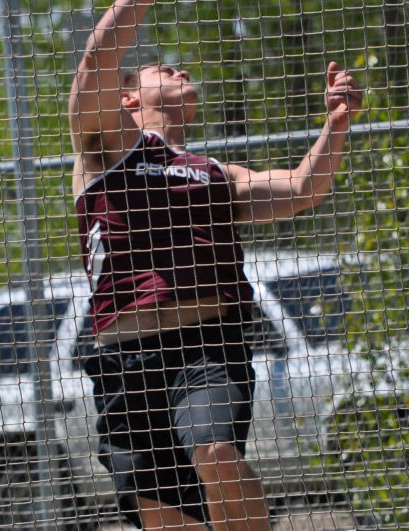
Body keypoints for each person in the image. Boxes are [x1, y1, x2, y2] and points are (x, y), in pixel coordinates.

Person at [69, 0, 362, 529]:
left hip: (204, 345)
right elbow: (95, 65)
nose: (182, 71)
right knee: (163, 517)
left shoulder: (213, 173)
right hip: (122, 360)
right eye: (165, 69)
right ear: (129, 96)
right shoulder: (105, 148)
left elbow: (303, 186)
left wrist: (335, 126)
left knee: (216, 454)